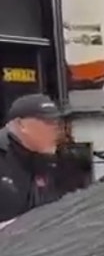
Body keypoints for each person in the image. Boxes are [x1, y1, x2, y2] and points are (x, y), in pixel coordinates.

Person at [0, 94, 72, 222]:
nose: (56, 131)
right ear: (21, 125)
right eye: (47, 123)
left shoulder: (50, 161)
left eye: (57, 124)